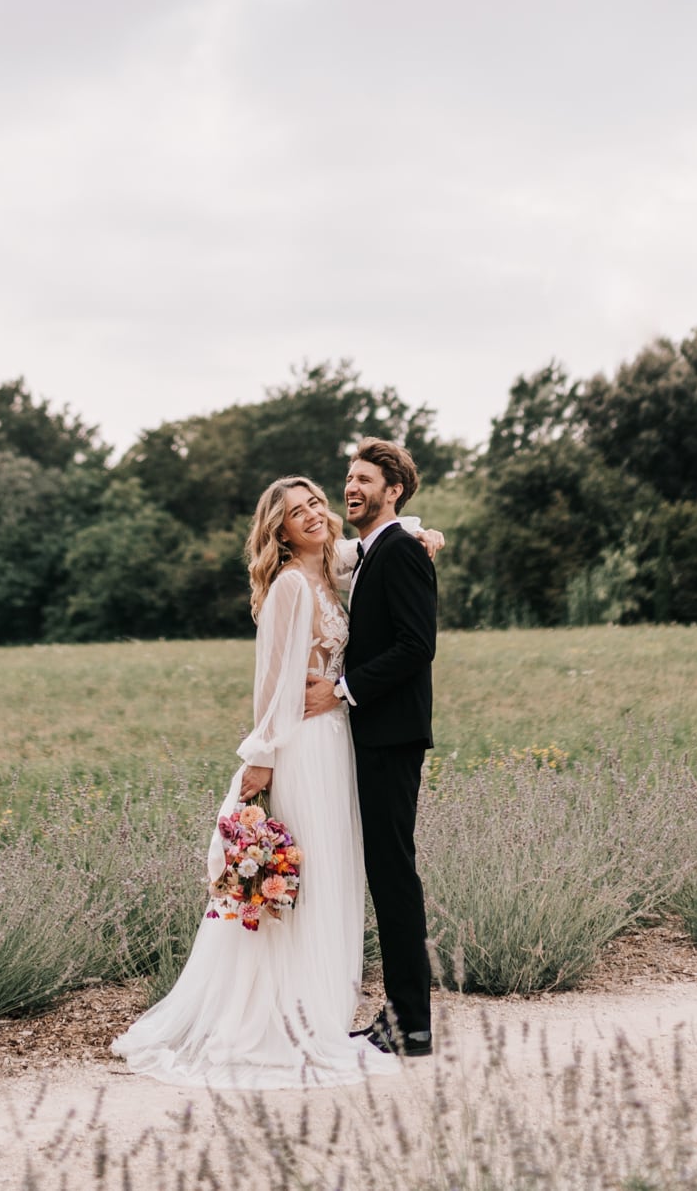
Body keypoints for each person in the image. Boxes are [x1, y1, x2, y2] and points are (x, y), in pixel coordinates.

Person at [111, 474, 442, 1087]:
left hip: (337, 743)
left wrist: (421, 533)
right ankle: (286, 1019)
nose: (314, 513)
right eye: (296, 512)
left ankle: (320, 1009)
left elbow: (372, 545)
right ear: (279, 532)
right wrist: (260, 757)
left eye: (317, 501)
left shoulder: (330, 569)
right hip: (301, 748)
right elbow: (270, 682)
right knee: (303, 884)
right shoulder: (292, 584)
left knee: (334, 878)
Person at [304, 438, 437, 1059]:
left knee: (394, 876)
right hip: (376, 734)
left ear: (393, 489)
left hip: (391, 735)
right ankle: (400, 1016)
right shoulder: (378, 548)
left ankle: (411, 1025)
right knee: (386, 875)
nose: (351, 487)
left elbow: (416, 646)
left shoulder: (402, 553)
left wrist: (343, 689)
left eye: (364, 479)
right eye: (348, 477)